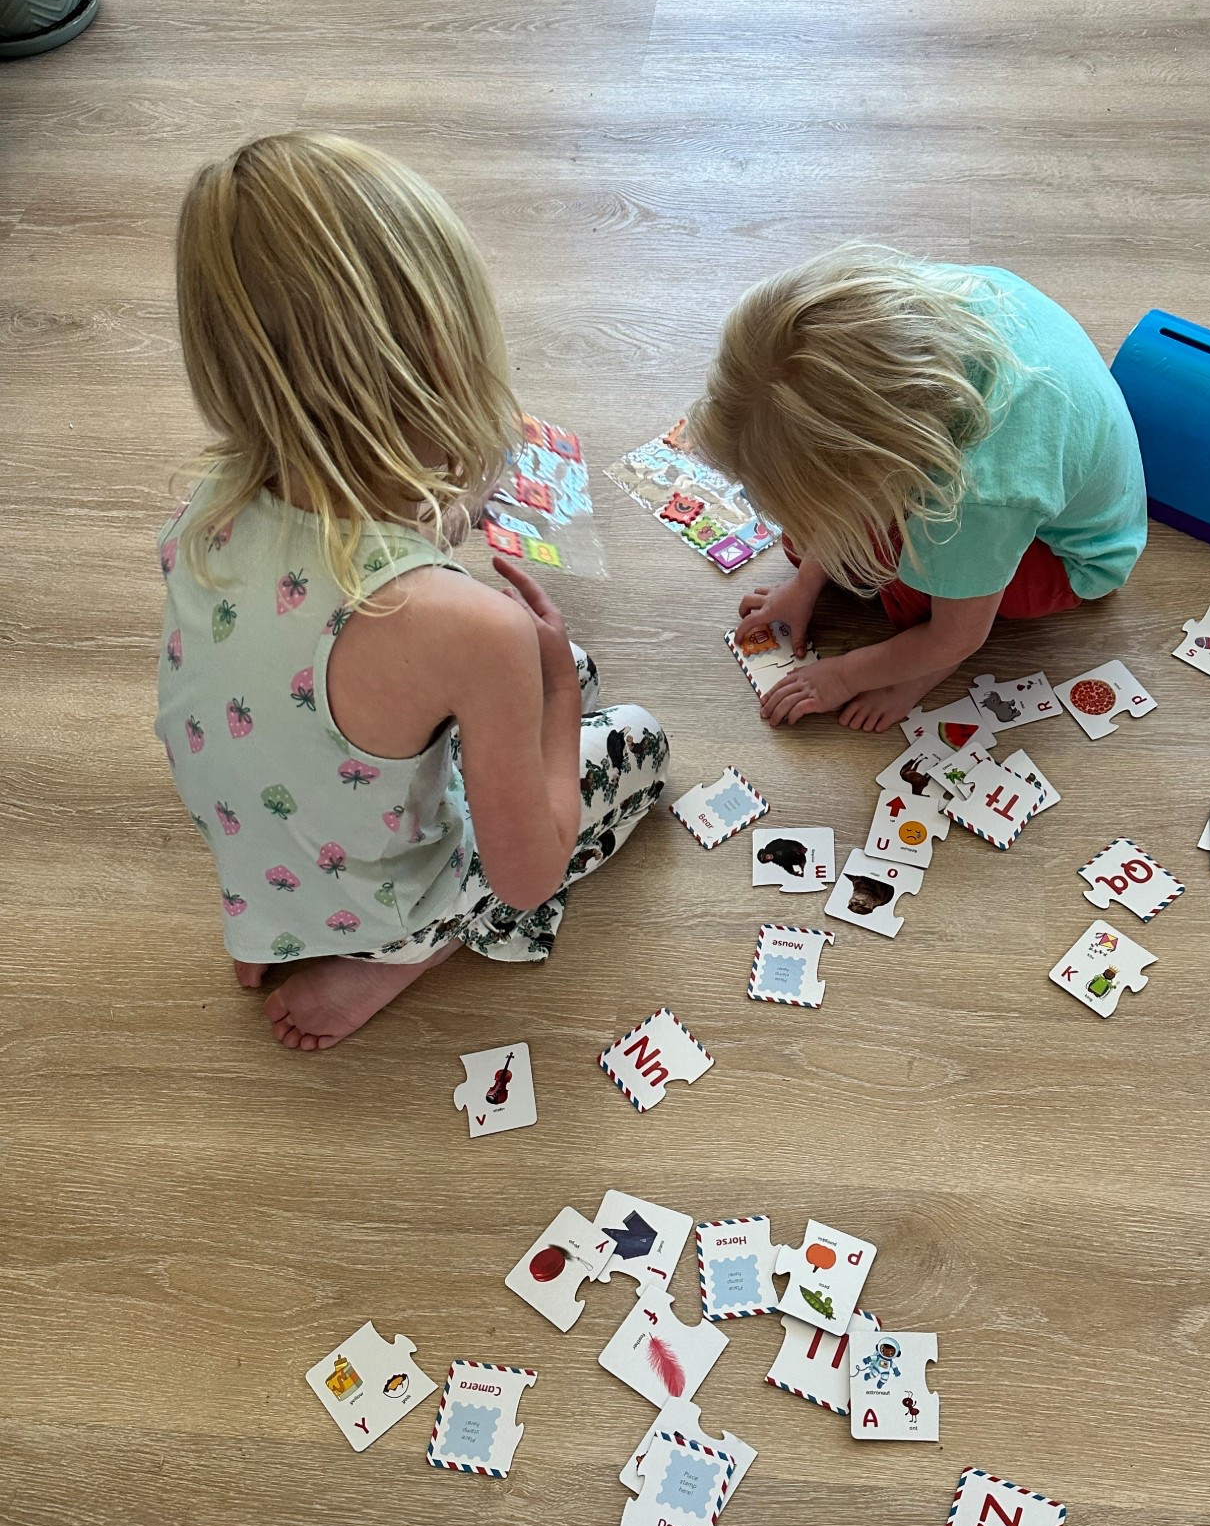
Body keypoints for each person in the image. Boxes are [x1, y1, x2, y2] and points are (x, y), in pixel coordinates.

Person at [154, 133, 668, 1051]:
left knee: (503, 692)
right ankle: (403, 954)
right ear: (444, 361)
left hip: (257, 859)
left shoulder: (205, 508)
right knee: (635, 736)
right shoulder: (474, 630)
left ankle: (276, 934)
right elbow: (527, 875)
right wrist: (547, 682)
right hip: (382, 897)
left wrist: (428, 522)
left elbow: (309, 628)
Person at [688, 246, 1147, 732]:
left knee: (903, 582)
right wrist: (806, 582)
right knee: (809, 546)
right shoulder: (901, 312)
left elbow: (958, 637)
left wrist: (844, 676)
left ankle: (923, 668)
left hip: (1071, 557)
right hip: (1020, 464)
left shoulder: (979, 493)